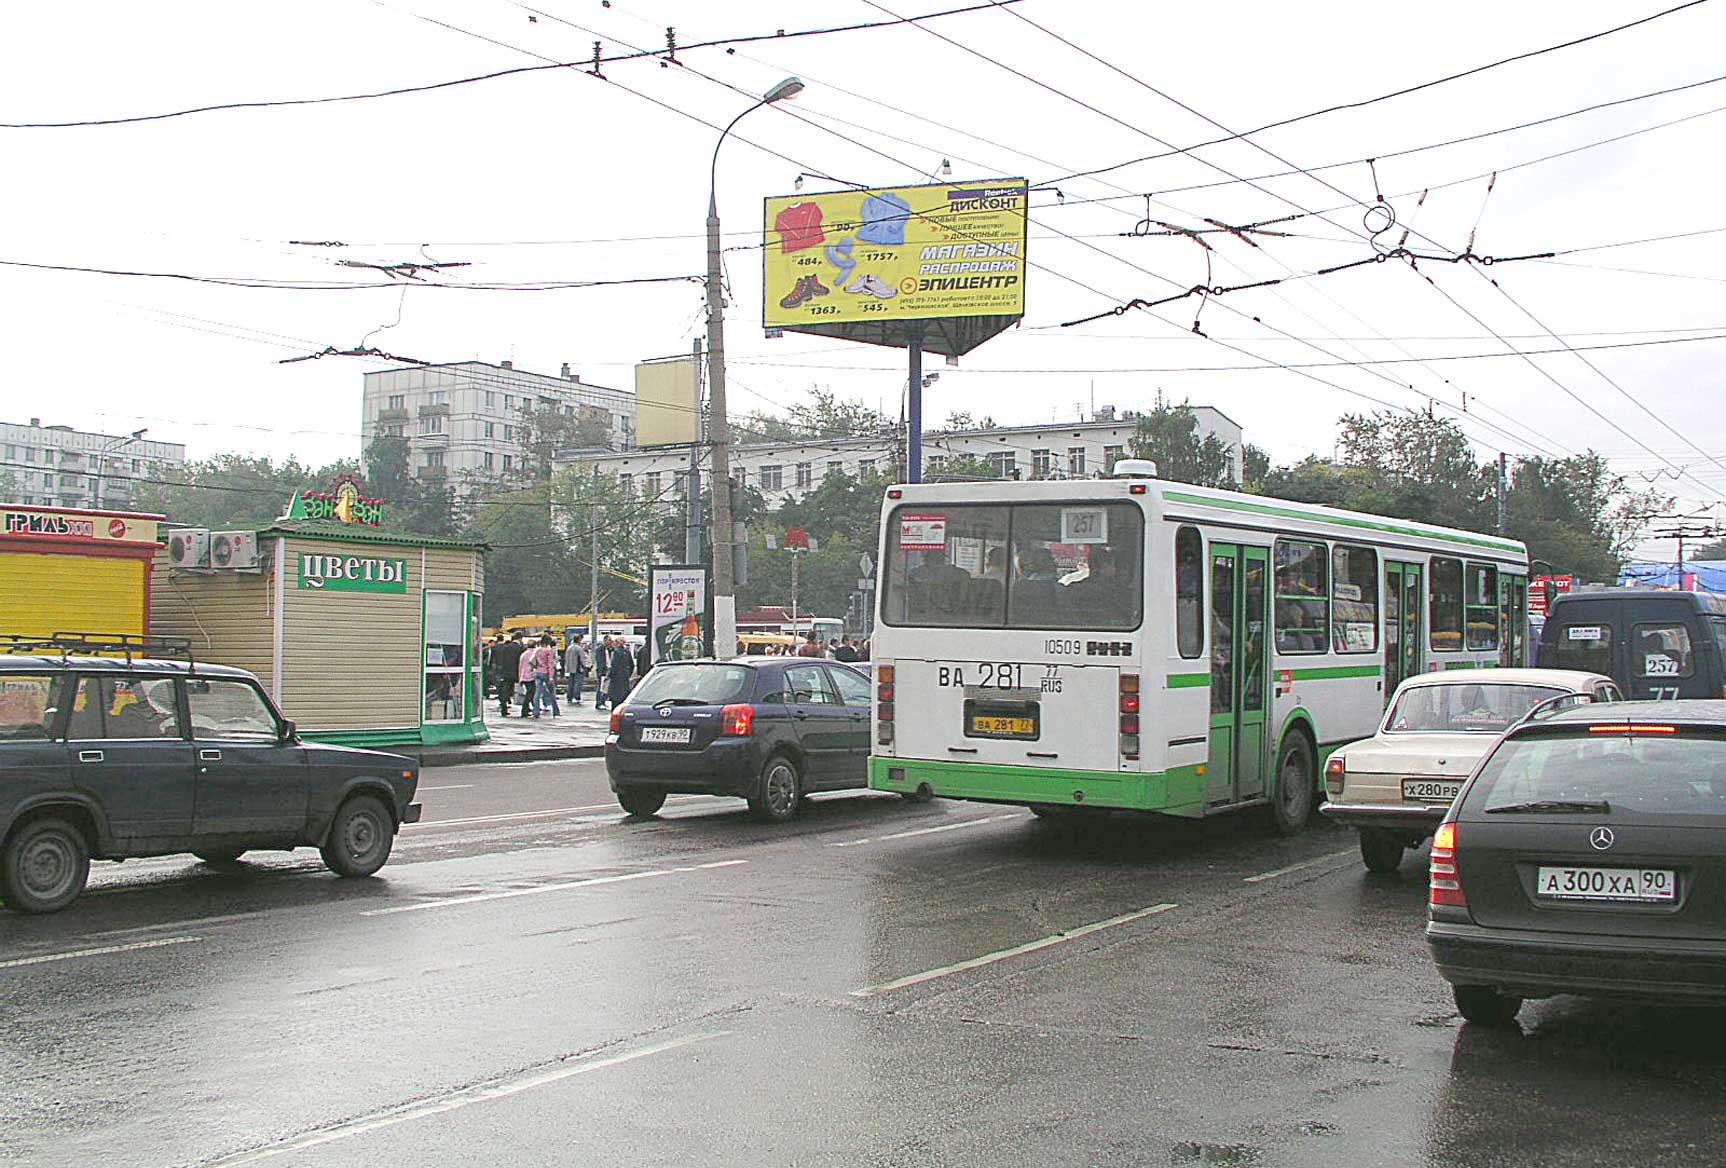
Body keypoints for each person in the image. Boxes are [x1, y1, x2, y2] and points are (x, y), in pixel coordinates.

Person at [492, 632, 527, 717]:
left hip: (506, 672)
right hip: (517, 672)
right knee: (528, 689)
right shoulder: (520, 648)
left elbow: (502, 660)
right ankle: (526, 709)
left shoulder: (506, 647)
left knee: (505, 690)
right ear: (520, 638)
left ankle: (504, 708)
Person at [532, 635, 561, 718]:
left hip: (538, 672)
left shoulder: (537, 650)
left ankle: (536, 711)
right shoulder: (548, 651)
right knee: (552, 693)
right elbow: (550, 664)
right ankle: (556, 711)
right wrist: (551, 676)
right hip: (546, 673)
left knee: (537, 693)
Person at [607, 636, 635, 710]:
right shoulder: (627, 652)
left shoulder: (616, 652)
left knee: (615, 698)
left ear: (617, 643)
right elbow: (632, 665)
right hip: (625, 677)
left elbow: (614, 665)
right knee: (623, 696)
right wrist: (628, 674)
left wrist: (609, 675)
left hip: (616, 679)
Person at [517, 633, 540, 718]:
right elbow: (535, 663)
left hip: (524, 676)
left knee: (530, 692)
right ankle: (525, 709)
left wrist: (520, 677)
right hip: (531, 675)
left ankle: (530, 708)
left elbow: (520, 666)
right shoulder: (534, 653)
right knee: (531, 693)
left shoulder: (523, 654)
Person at [565, 634, 590, 706]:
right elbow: (582, 658)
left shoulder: (569, 647)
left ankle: (569, 697)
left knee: (571, 683)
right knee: (578, 683)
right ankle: (577, 697)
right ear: (579, 640)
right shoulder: (579, 648)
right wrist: (586, 665)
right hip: (578, 668)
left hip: (570, 668)